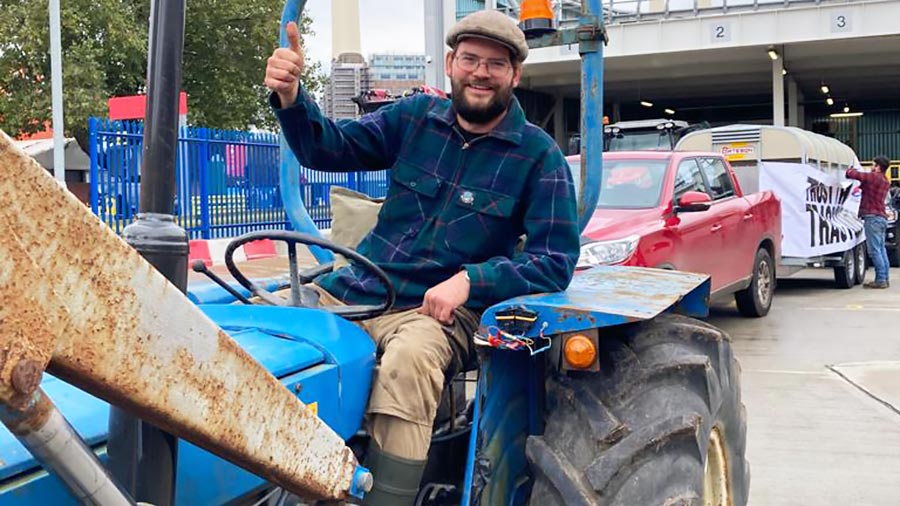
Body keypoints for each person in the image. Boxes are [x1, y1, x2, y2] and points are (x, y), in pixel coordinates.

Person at [264, 10, 580, 505]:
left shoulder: (540, 159)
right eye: (471, 59)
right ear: (451, 63)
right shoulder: (414, 120)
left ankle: (388, 497)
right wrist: (291, 98)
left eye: (495, 64)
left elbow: (554, 262)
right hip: (359, 291)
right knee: (259, 325)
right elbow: (329, 147)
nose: (480, 72)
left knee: (409, 364)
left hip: (436, 315)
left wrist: (470, 281)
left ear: (515, 75)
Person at [847, 156, 892, 288]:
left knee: (874, 251)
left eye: (873, 165)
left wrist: (849, 170)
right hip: (881, 217)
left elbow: (855, 175)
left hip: (872, 218)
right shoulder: (885, 180)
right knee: (881, 249)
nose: (871, 167)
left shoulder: (874, 177)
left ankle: (881, 280)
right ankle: (884, 277)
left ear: (878, 167)